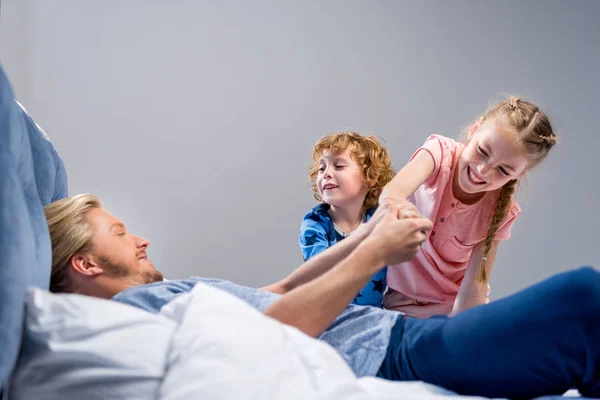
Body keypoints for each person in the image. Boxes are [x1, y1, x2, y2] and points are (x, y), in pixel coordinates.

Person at [44, 194, 600, 399]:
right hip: (394, 354)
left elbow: (283, 290)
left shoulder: (171, 294)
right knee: (583, 303)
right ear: (86, 263)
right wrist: (375, 252)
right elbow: (271, 333)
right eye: (119, 232)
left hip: (396, 341)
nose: (139, 238)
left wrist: (362, 233)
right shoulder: (131, 314)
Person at [381, 96, 557, 317]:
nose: (483, 170)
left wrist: (459, 331)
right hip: (401, 303)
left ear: (519, 174)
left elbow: (475, 285)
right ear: (475, 130)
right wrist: (404, 216)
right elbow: (391, 194)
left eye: (503, 171)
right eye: (483, 151)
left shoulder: (500, 211)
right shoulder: (438, 153)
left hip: (454, 308)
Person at [299, 131, 394, 307]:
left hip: (373, 317)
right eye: (322, 168)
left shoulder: (380, 220)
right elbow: (321, 274)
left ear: (370, 177)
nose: (326, 173)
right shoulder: (316, 222)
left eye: (339, 166)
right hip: (328, 318)